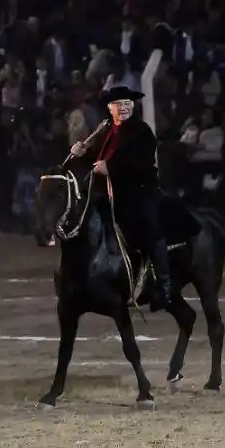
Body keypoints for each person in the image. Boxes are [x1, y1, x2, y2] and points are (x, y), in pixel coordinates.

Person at [69, 85, 172, 312]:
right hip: (107, 193)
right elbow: (95, 159)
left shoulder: (142, 131)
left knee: (150, 228)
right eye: (118, 104)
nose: (124, 107)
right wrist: (81, 153)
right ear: (110, 108)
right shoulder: (106, 130)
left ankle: (165, 286)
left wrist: (111, 168)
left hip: (138, 191)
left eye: (127, 103)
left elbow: (140, 161)